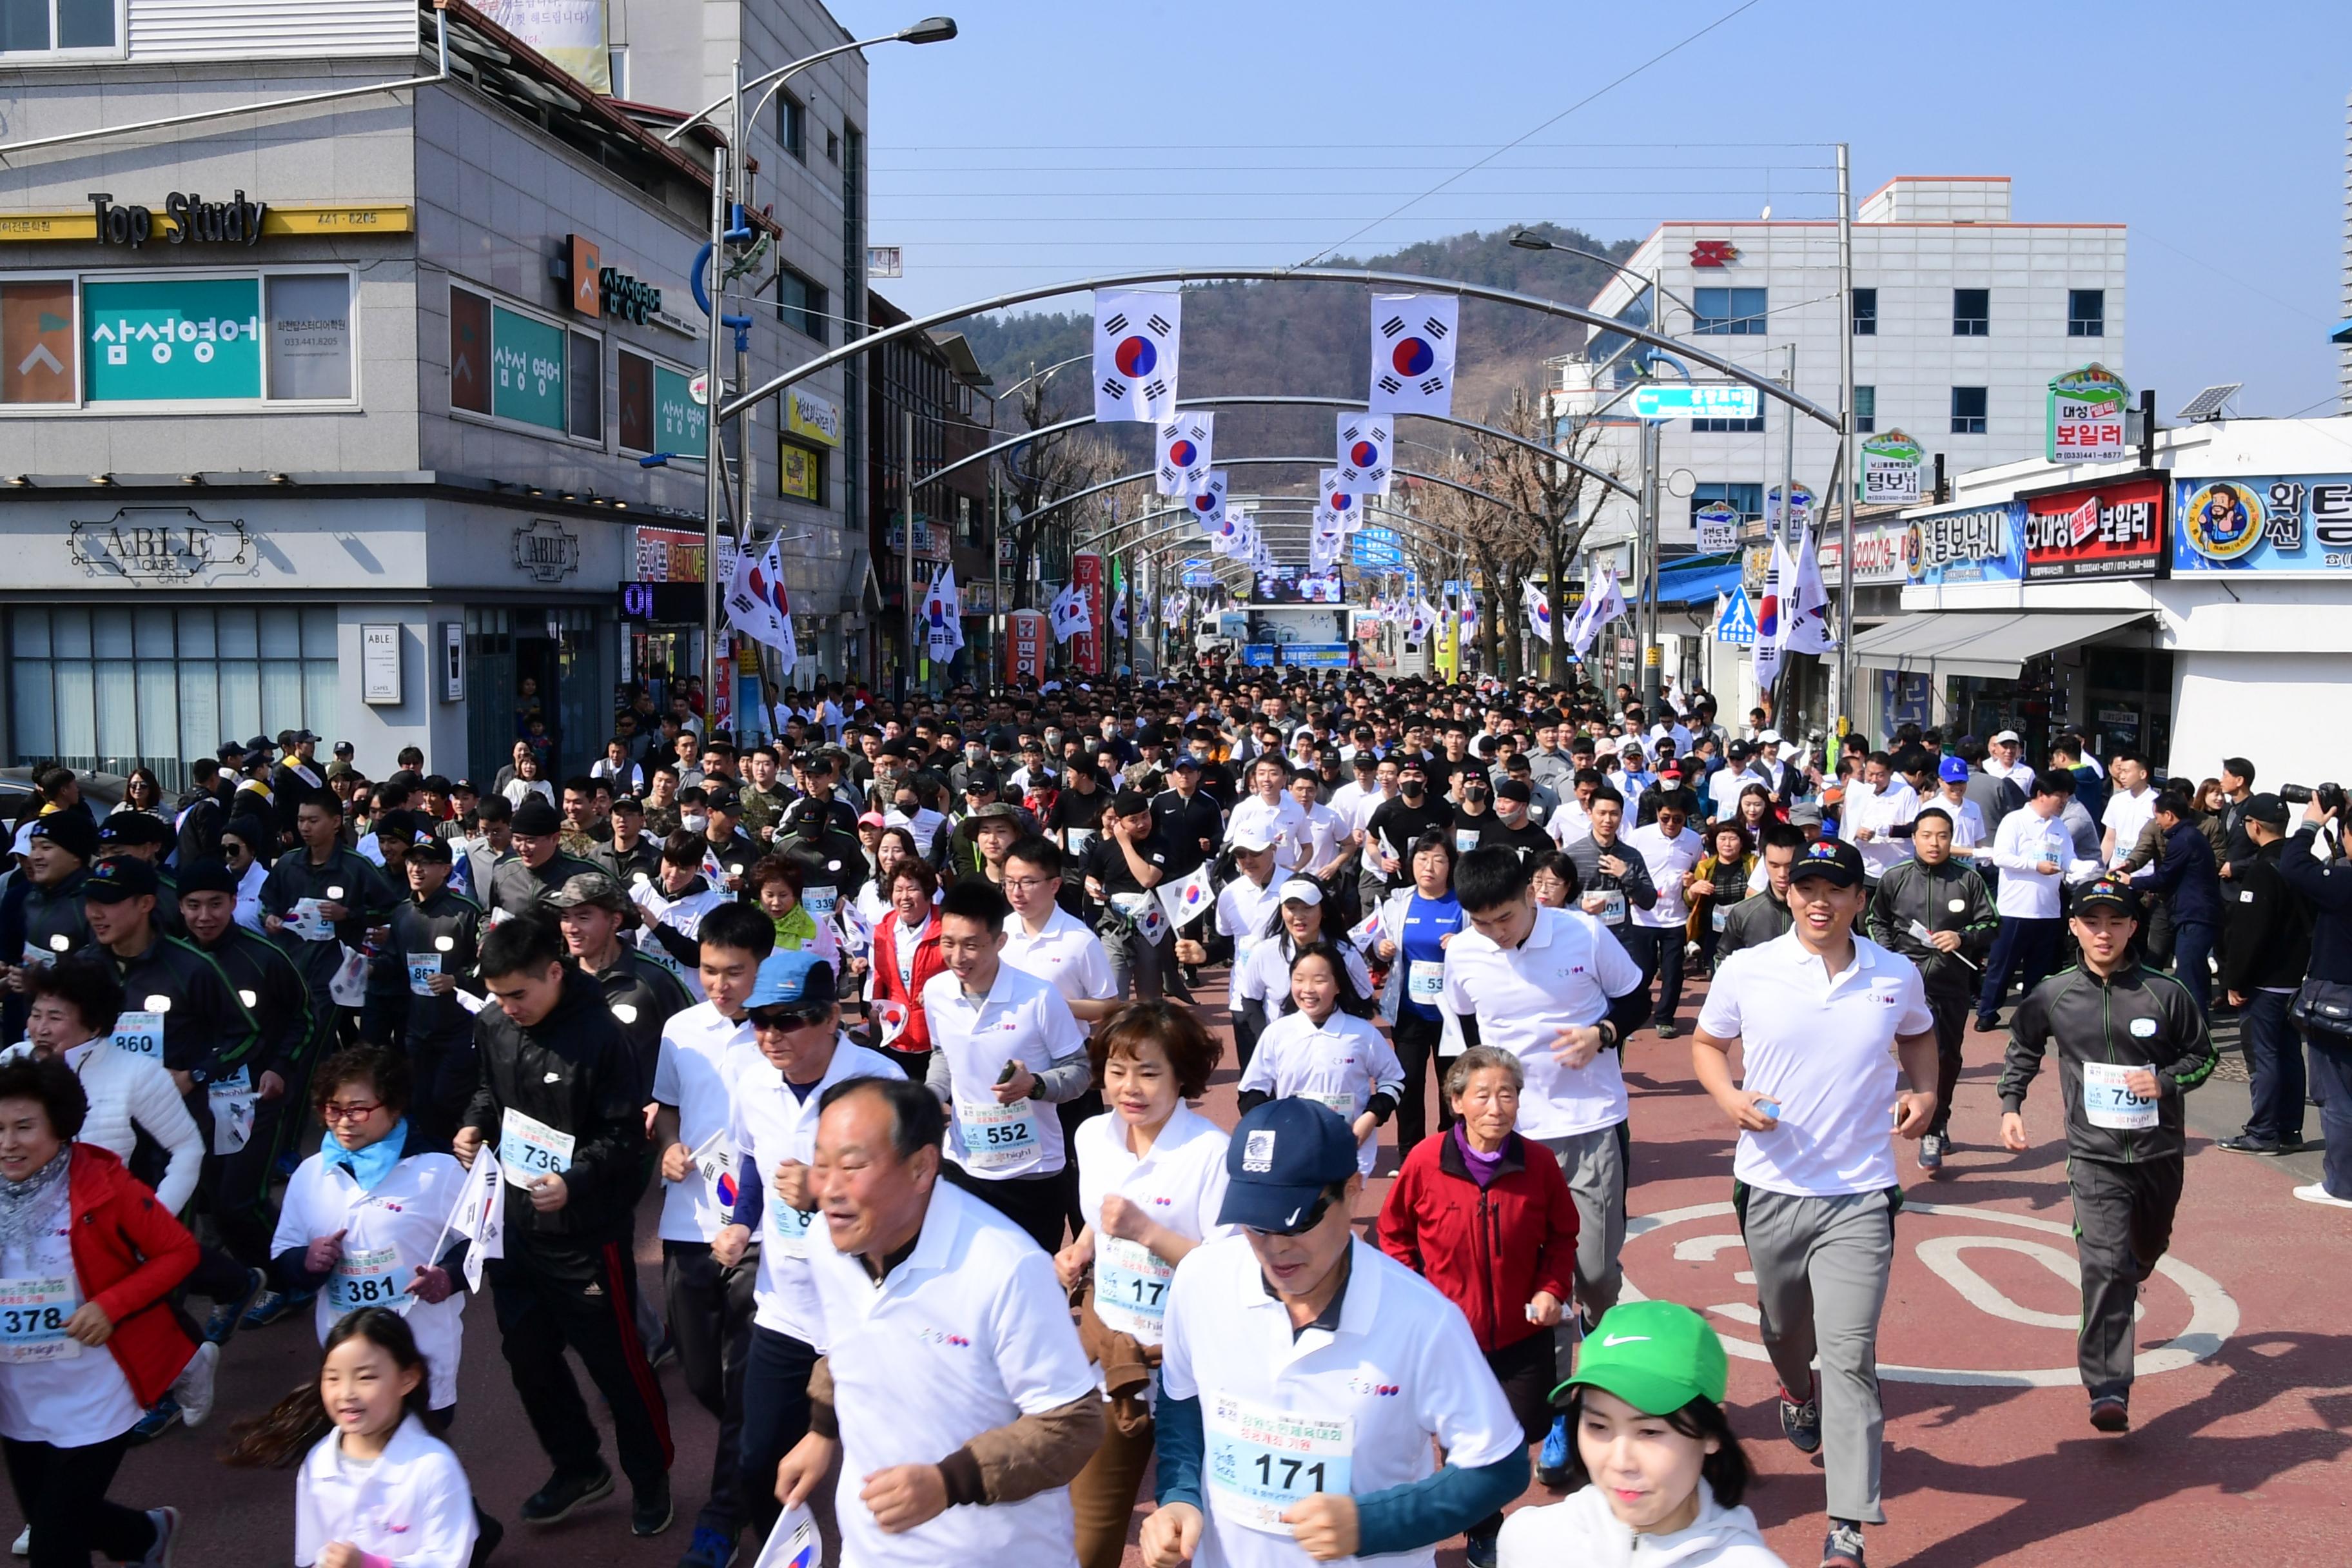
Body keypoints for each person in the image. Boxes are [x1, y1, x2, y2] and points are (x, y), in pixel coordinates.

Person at [1142, 1097, 1529, 1568]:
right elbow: (1182, 1399)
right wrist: (1180, 1495)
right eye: (1255, 1224)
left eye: (1299, 1220)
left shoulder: (1423, 1319)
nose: (1276, 1247)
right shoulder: (1201, 1279)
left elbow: (1499, 1466)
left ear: (1353, 1191)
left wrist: (1372, 1524)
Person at [1690, 839, 1939, 1568]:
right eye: (1806, 887)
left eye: (1836, 887)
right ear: (1788, 894)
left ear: (1861, 898)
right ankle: (1795, 1389)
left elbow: (1920, 1037)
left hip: (1860, 1191)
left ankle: (1848, 1525)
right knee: (1781, 1325)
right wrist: (1729, 1095)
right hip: (1770, 1185)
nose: (1819, 899)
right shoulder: (1749, 968)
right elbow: (1707, 1044)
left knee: (1852, 1354)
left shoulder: (1894, 973)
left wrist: (1924, 1092)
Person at [773, 1077, 1101, 1568]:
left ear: (923, 1167)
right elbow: (851, 1340)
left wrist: (950, 1482)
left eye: (853, 1165)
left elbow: (1072, 1423)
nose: (830, 1189)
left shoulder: (1006, 1266)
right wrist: (821, 1432)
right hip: (870, 1551)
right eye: (821, 1165)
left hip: (999, 1555)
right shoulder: (827, 1239)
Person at [454, 916, 672, 1536]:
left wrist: (574, 1182)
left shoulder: (603, 1037)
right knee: (527, 1357)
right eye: (497, 995)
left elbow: (626, 1136)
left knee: (617, 1364)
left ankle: (651, 1477)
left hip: (586, 1234)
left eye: (518, 994)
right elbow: (488, 1094)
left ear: (555, 972)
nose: (507, 1007)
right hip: (513, 1228)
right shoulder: (494, 1023)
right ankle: (578, 1467)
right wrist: (474, 1125)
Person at [1999, 877, 2214, 1431]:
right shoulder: (2053, 992)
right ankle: (2107, 1387)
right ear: (2074, 927)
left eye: (2115, 923)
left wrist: (2164, 1082)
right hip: (2093, 1155)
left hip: (2159, 1152)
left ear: (2132, 929)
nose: (2103, 933)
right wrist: (2011, 1104)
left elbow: (2202, 1056)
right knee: (2105, 1265)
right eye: (2092, 922)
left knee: (2146, 1247)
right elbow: (2024, 1044)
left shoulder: (2166, 992)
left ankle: (2137, 1261)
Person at [712, 951, 902, 1542]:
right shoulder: (752, 1082)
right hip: (787, 1308)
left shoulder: (881, 1084)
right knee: (758, 1463)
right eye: (760, 1020)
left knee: (888, 1482)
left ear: (828, 1019)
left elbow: (912, 1198)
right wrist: (743, 1223)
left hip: (875, 1309)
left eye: (788, 1019)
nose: (770, 1034)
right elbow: (750, 1160)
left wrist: (821, 1191)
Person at [1377, 1046, 1580, 1567]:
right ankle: (1485, 1531)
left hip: (1522, 1332)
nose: (1497, 1107)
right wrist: (1417, 1294)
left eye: (1507, 1094)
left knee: (1523, 1432)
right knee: (1472, 1447)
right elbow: (1394, 1234)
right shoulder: (1425, 1160)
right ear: (1456, 1102)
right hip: (1450, 1339)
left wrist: (1551, 1289)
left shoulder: (1538, 1163)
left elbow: (1562, 1236)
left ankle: (1558, 1420)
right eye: (1483, 1095)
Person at [0, 1055, 199, 1568]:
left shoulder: (104, 1185)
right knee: (62, 1515)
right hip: (18, 1394)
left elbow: (179, 1251)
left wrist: (111, 1305)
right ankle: (143, 1536)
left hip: (94, 1387)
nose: (7, 1143)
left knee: (52, 1547)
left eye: (24, 1127)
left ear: (60, 1127)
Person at [1444, 847, 1649, 1327]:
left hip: (1589, 1122)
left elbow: (1636, 998)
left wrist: (1602, 1035)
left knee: (1596, 1272)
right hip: (1511, 1134)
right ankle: (1547, 1388)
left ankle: (1596, 1317)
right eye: (1481, 923)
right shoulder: (1464, 952)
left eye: (1505, 918)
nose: (1496, 934)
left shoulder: (1583, 934)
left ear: (1530, 893)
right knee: (1527, 1274)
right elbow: (1468, 1029)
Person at [1055, 1005, 1230, 1568]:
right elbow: (1102, 1217)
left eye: (1149, 1073)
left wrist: (1148, 1232)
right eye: (1116, 1070)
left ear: (1183, 1077)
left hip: (1192, 1367)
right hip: (1113, 1358)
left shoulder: (1210, 1153)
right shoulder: (1091, 1136)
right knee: (1089, 1532)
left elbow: (1225, 1271)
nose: (1129, 1088)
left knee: (1208, 1534)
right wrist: (1081, 1250)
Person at [649, 901, 771, 1568]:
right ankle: (769, 1433)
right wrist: (667, 1145)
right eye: (708, 970)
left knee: (746, 1373)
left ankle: (724, 1514)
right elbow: (667, 1107)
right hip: (686, 1222)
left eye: (734, 972)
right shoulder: (679, 1029)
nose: (718, 984)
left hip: (757, 1232)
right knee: (702, 1376)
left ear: (762, 968)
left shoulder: (783, 1032)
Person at [1496, 1301, 1782, 1568]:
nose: (1621, 1462)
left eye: (1649, 1431)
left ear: (1710, 1432)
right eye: (1598, 1426)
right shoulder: (1528, 1541)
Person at [270, 1046, 471, 1420]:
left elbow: (478, 1246)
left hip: (422, 1352)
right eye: (333, 1109)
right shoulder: (310, 1176)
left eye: (358, 1109)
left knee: (419, 1459)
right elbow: (283, 1256)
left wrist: (448, 1277)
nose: (344, 1121)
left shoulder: (438, 1172)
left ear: (394, 1109)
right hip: (345, 1359)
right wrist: (306, 1261)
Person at [922, 878, 1092, 1255]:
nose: (958, 957)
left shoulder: (1039, 997)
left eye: (971, 945)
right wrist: (930, 1096)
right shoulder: (936, 993)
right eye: (948, 943)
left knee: (1034, 1281)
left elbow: (1080, 1071)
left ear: (999, 942)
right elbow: (942, 1056)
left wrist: (1035, 1085)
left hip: (1033, 1169)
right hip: (965, 1164)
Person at [1865, 808, 1997, 1174]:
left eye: (1942, 836)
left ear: (1951, 839)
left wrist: (1962, 937)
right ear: (1915, 838)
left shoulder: (1968, 880)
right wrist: (1891, 958)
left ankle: (1936, 1126)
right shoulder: (1895, 877)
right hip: (1899, 984)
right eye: (1926, 836)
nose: (1934, 843)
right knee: (1872, 1051)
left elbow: (1991, 924)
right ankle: (1867, 1124)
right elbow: (1877, 920)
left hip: (1949, 984)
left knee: (1945, 1055)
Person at [1237, 943, 1402, 1179]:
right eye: (1299, 979)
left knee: (1336, 1214)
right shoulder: (1277, 1033)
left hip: (1350, 1152)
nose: (1308, 989)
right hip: (1293, 1152)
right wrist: (1273, 1128)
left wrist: (1370, 1117)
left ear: (1338, 985)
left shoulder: (1362, 1034)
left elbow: (1394, 1079)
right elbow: (1251, 1090)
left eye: (1319, 980)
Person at [377, 836, 485, 1150]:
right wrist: (368, 967)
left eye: (426, 863)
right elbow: (393, 961)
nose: (416, 869)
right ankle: (434, 1160)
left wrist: (457, 980)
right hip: (417, 1027)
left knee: (447, 1098)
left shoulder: (465, 913)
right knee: (420, 1100)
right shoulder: (401, 913)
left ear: (447, 869)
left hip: (459, 1029)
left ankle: (461, 1154)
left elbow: (487, 966)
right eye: (412, 862)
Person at [2219, 794, 2313, 1155]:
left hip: (2265, 978)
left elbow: (2249, 933)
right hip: (2296, 975)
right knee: (2289, 1052)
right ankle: (2289, 1127)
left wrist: (2234, 980)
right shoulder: (2303, 863)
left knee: (2264, 1056)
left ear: (2254, 826)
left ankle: (2263, 1132)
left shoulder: (2262, 870)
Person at [1371, 830, 1465, 1156]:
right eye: (1423, 859)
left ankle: (1451, 1148)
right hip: (1409, 1011)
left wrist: (1462, 944)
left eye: (1439, 860)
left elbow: (1487, 945)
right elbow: (1377, 939)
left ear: (1450, 866)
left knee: (1451, 1086)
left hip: (1451, 1014)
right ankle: (1410, 1152)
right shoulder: (1398, 902)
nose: (1430, 867)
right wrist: (1380, 948)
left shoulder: (1463, 904)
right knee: (1408, 1084)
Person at [1977, 772, 2094, 1032]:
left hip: (2048, 910)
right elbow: (2002, 858)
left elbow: (2067, 859)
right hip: (2016, 908)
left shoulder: (2058, 826)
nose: (2063, 802)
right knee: (2002, 964)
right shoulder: (2015, 821)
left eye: (2066, 797)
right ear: (2041, 795)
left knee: (2039, 970)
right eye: (2059, 797)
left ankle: (2031, 1017)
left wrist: (2081, 868)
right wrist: (2035, 866)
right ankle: (1987, 1012)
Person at [1622, 795, 1703, 1037]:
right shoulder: (1639, 837)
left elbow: (1698, 868)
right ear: (1657, 813)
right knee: (1643, 970)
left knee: (1673, 972)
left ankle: (1665, 1018)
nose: (1670, 824)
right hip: (1642, 916)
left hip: (1676, 917)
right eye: (1665, 818)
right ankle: (1631, 1014)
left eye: (1677, 819)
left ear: (1685, 819)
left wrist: (1692, 881)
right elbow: (1625, 868)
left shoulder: (1693, 840)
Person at [867, 858, 946, 1073]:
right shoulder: (883, 930)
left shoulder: (948, 927)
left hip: (938, 1039)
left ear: (929, 894)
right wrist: (875, 1009)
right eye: (898, 890)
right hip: (896, 1036)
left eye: (912, 889)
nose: (904, 897)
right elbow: (879, 978)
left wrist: (939, 991)